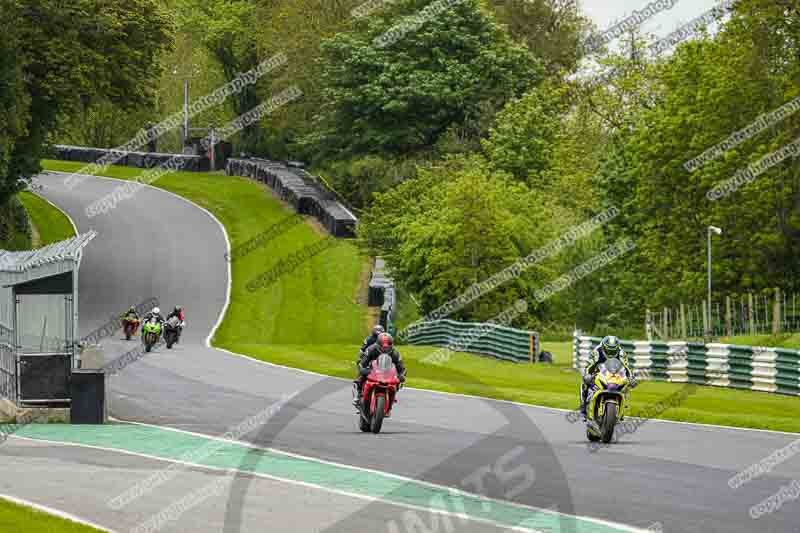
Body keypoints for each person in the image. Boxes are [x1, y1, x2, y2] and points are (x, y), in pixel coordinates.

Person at [579, 335, 636, 418]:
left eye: (613, 351)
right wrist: (587, 375)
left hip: (615, 373)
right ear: (604, 347)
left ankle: (623, 408)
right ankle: (583, 407)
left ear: (617, 348)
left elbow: (627, 367)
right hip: (598, 371)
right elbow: (590, 366)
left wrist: (631, 378)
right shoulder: (597, 351)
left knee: (626, 386)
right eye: (608, 350)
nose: (610, 353)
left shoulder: (621, 353)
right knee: (585, 383)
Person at [353, 332, 406, 408]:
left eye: (387, 347)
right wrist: (363, 369)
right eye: (383, 347)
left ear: (391, 346)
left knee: (398, 382)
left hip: (387, 373)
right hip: (372, 371)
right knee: (361, 377)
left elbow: (402, 368)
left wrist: (401, 376)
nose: (385, 349)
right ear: (378, 345)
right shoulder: (371, 349)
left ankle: (392, 397)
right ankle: (358, 395)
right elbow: (362, 363)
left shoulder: (395, 353)